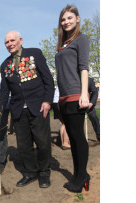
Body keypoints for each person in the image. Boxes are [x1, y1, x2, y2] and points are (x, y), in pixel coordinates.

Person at [0, 30, 54, 188]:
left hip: (38, 107)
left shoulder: (34, 54)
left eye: (12, 40)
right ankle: (31, 173)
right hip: (18, 110)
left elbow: (48, 80)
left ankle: (44, 173)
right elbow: (4, 92)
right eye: (6, 42)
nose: (9, 44)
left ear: (20, 40)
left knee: (43, 142)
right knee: (24, 145)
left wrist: (47, 101)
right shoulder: (5, 65)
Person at [55, 5, 90, 193]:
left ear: (77, 19)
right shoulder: (62, 45)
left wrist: (84, 93)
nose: (66, 22)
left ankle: (82, 175)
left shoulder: (80, 39)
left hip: (76, 95)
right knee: (73, 139)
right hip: (63, 98)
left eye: (69, 18)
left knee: (78, 137)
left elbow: (83, 67)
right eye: (63, 19)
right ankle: (78, 175)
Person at [87, 77, 100, 142]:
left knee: (94, 118)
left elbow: (95, 92)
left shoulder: (89, 80)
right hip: (75, 104)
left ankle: (99, 136)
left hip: (88, 104)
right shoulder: (72, 79)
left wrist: (91, 102)